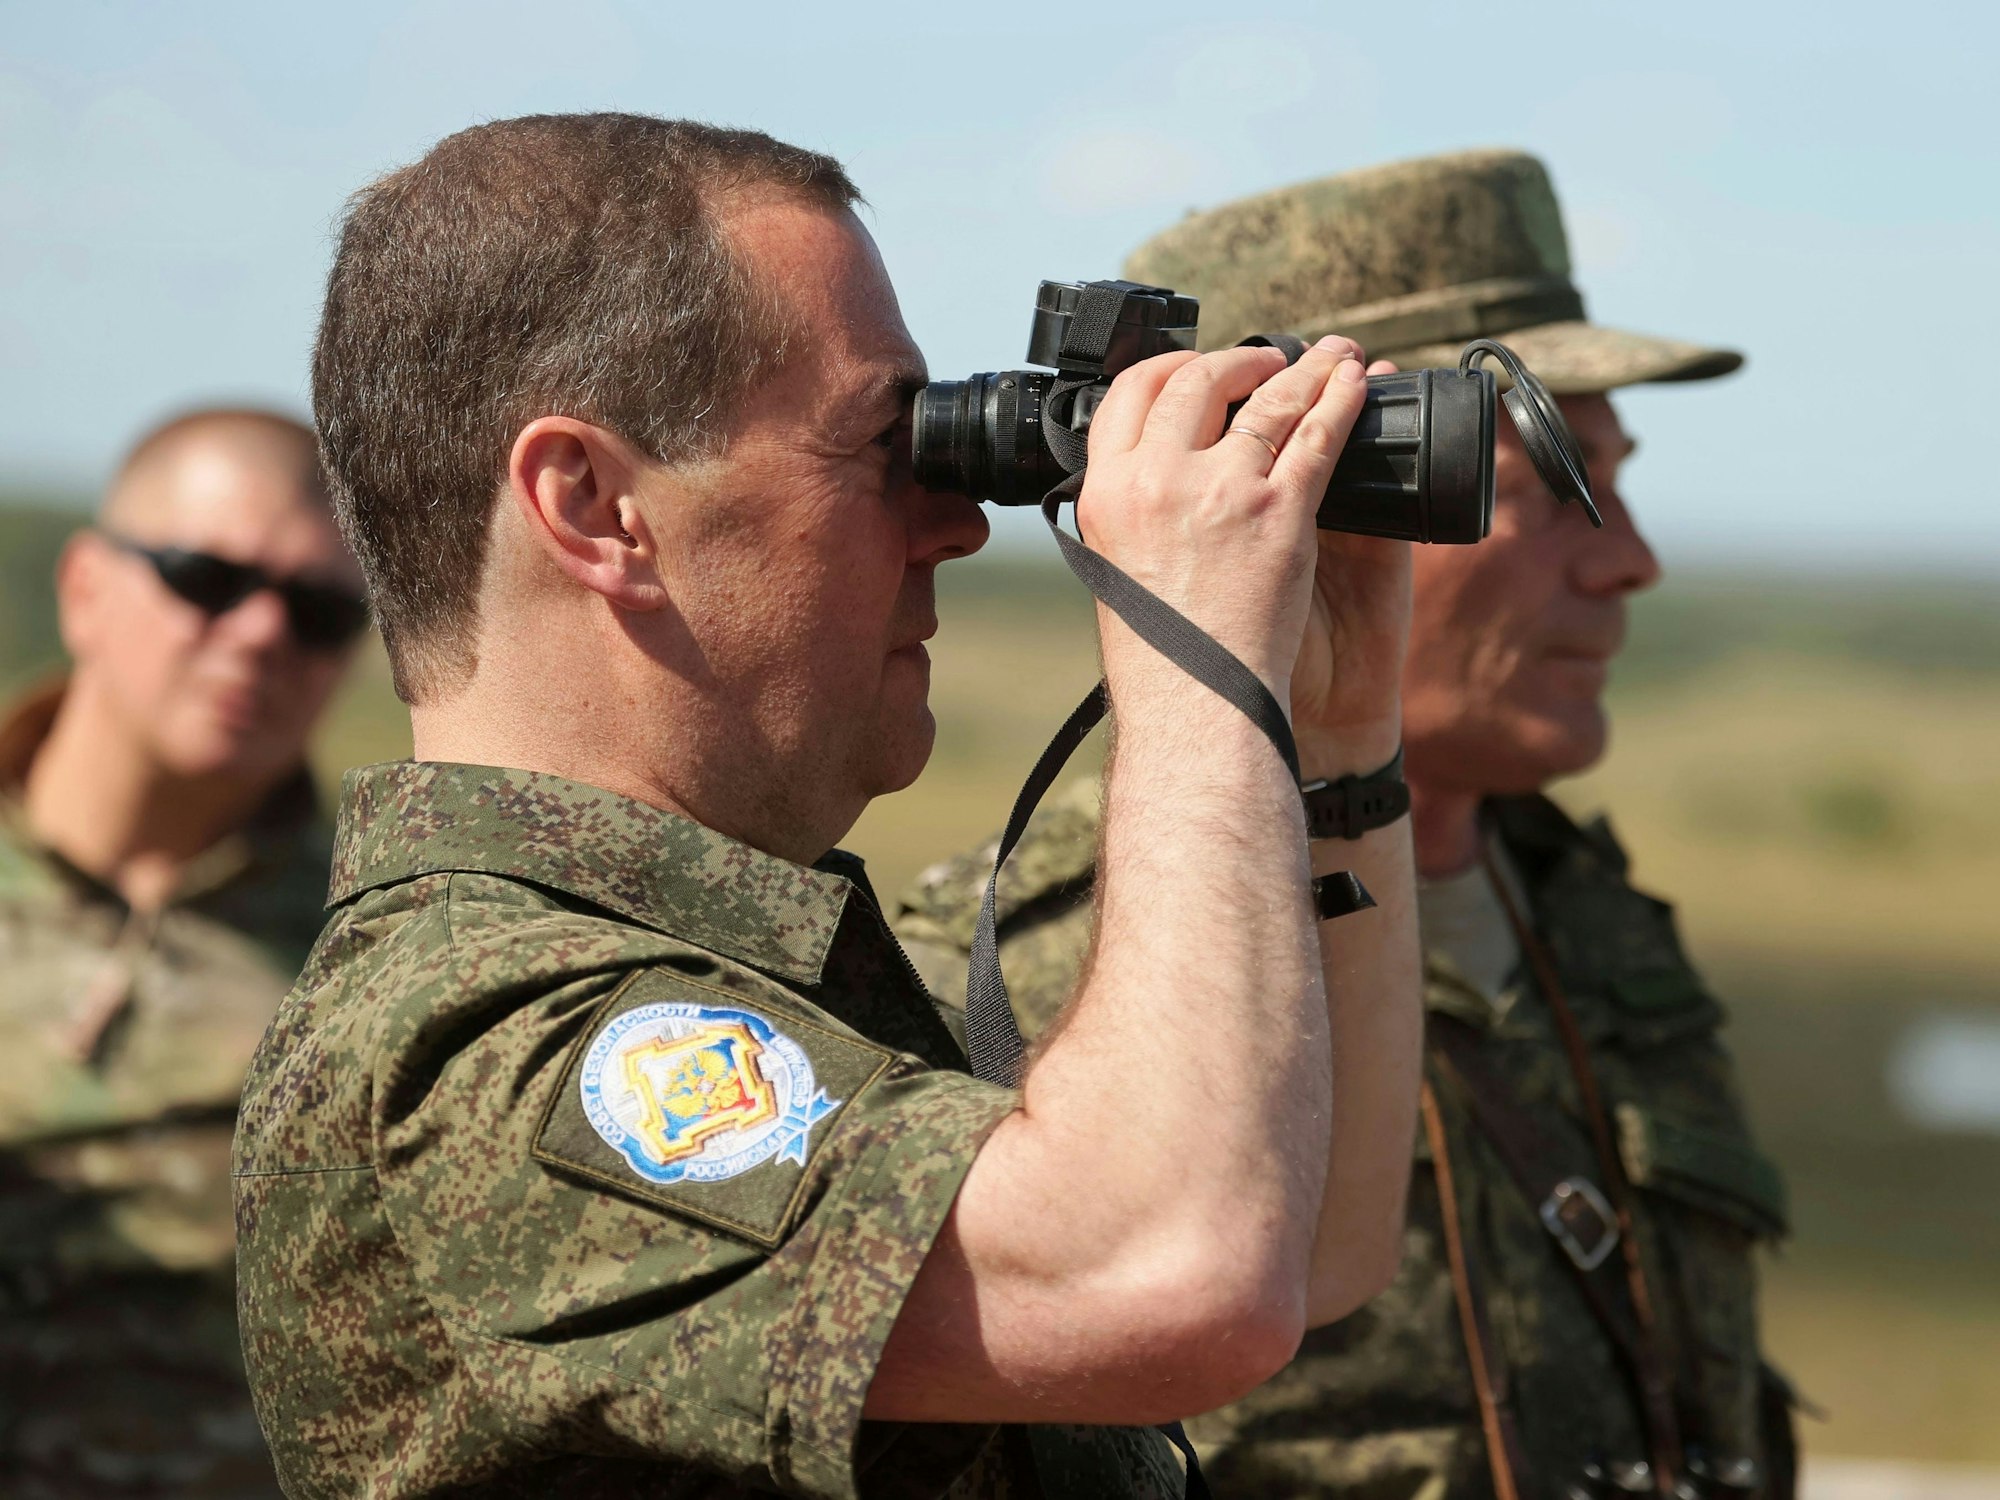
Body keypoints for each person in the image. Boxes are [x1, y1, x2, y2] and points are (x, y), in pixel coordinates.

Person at [230, 112, 1424, 1498]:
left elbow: (1314, 1247)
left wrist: (1328, 727)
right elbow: (1167, 1272)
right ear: (595, 504)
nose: (957, 523)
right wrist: (1195, 652)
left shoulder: (738, 981)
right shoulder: (484, 1048)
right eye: (880, 446)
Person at [896, 150, 1798, 1500]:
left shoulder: (1592, 922)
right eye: (1549, 479)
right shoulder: (1032, 986)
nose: (1629, 560)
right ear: (1329, 483)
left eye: (1614, 476)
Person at [0, 408, 369, 1498]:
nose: (259, 634)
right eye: (205, 578)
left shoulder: (388, 938)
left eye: (319, 612)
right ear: (84, 589)